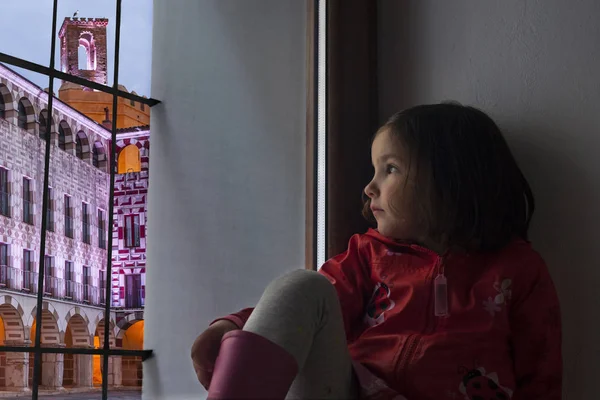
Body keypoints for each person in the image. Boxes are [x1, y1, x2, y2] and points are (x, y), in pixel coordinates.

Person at [191, 103, 562, 399]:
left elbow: (540, 375)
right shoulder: (368, 256)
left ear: (451, 180)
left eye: (391, 169)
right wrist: (234, 325)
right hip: (352, 391)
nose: (370, 187)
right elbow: (302, 315)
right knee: (302, 286)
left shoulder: (517, 269)